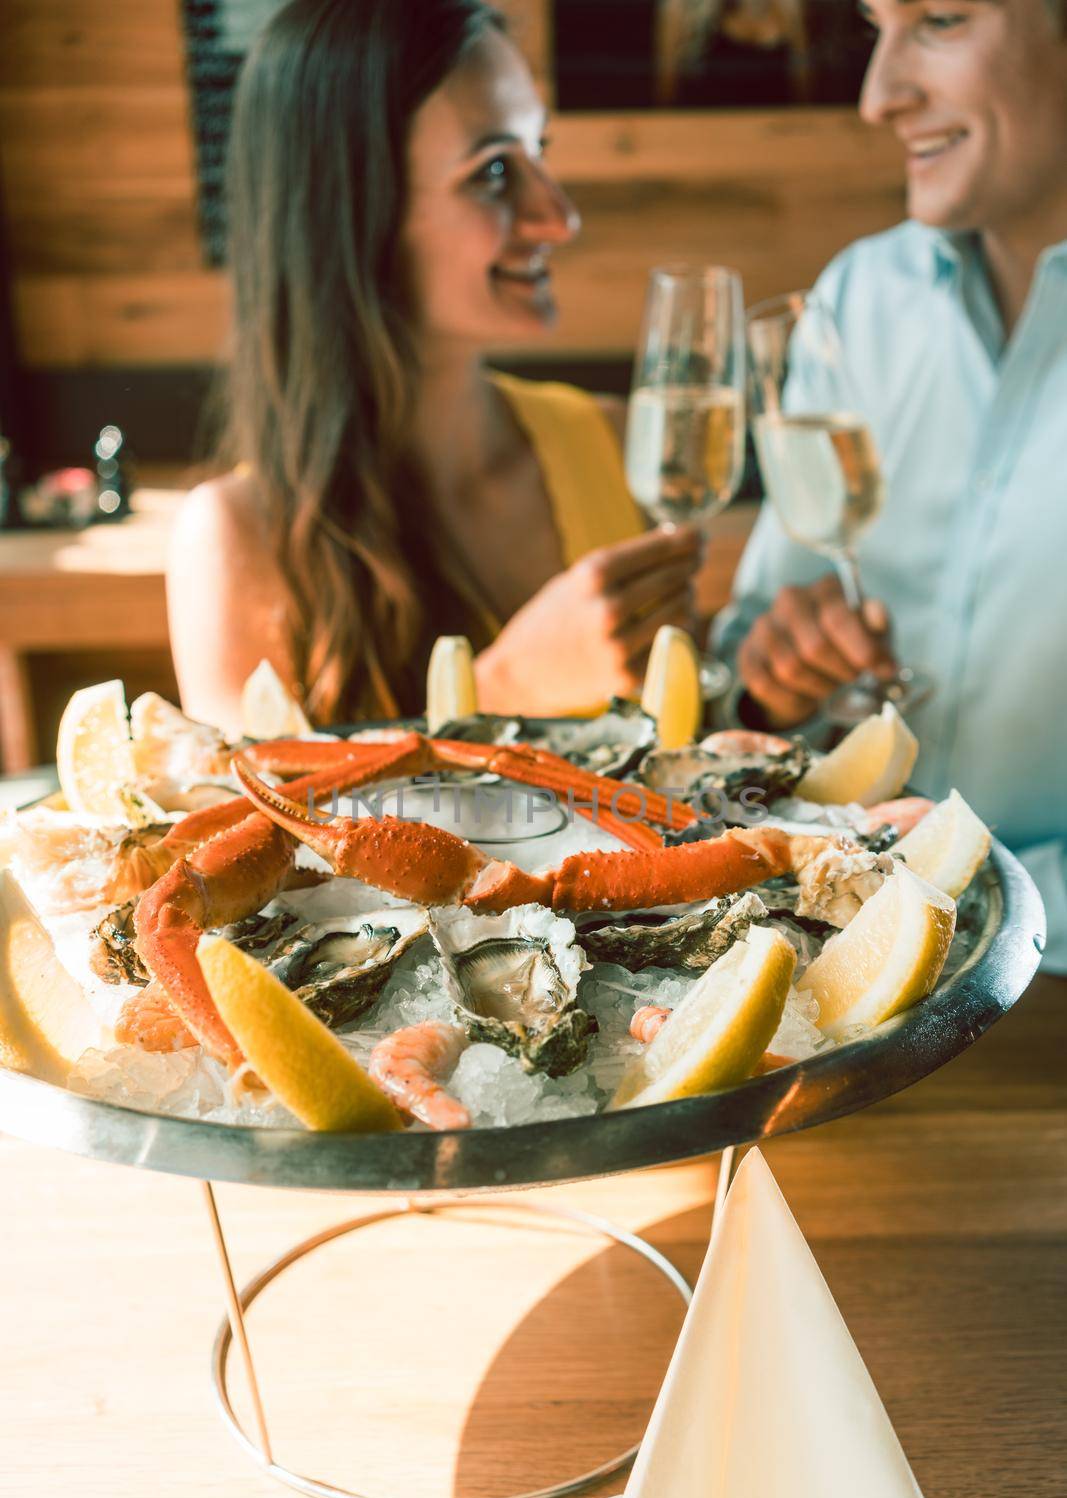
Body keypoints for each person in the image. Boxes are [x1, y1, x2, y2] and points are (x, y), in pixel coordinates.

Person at [167, 0, 700, 736]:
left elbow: (683, 771)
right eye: (492, 172)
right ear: (354, 211)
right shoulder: (234, 537)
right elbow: (254, 829)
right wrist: (505, 685)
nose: (558, 217)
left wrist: (765, 694)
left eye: (539, 151)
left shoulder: (608, 444)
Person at [714, 0, 1067, 970]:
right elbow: (744, 661)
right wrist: (773, 683)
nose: (878, 95)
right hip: (841, 970)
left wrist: (980, 907)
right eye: (877, 25)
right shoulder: (853, 301)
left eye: (941, 20)